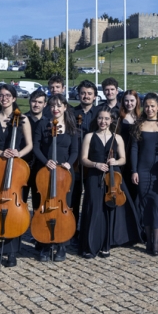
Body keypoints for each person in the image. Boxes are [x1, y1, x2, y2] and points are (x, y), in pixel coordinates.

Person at [0, 84, 33, 268]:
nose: (4, 98)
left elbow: (29, 145)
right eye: (1, 95)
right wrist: (1, 153)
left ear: (14, 98)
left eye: (8, 95)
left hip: (15, 169)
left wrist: (18, 153)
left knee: (13, 211)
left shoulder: (23, 118)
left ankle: (10, 252)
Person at [80, 106, 142, 258]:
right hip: (94, 176)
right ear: (97, 119)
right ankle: (90, 245)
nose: (103, 121)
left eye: (106, 118)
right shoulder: (89, 136)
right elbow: (83, 159)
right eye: (100, 118)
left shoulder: (118, 138)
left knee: (109, 210)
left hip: (113, 176)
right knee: (93, 208)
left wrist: (115, 161)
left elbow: (123, 159)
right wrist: (96, 164)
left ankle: (105, 245)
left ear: (111, 120)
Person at [32, 94, 79, 262]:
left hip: (64, 174)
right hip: (45, 172)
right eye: (52, 106)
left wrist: (69, 163)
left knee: (63, 208)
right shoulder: (42, 125)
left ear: (65, 107)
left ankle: (61, 244)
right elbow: (36, 147)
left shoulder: (71, 126)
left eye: (59, 105)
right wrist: (46, 161)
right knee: (44, 205)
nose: (55, 109)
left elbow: (74, 151)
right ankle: (45, 243)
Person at [131, 93, 158, 256]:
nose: (149, 109)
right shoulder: (139, 124)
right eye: (147, 106)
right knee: (146, 205)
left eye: (152, 106)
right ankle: (149, 240)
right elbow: (134, 149)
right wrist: (134, 170)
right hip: (143, 170)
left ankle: (156, 242)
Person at [71, 80, 99, 252]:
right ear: (78, 95)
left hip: (93, 163)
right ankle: (72, 231)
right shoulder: (71, 113)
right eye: (83, 93)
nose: (86, 96)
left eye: (89, 93)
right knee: (73, 199)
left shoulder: (100, 113)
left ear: (95, 96)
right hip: (75, 163)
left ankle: (88, 231)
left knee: (91, 199)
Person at [22, 90, 47, 205]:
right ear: (29, 102)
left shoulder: (48, 123)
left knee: (38, 202)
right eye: (34, 101)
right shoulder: (21, 120)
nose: (36, 105)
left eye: (40, 102)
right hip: (23, 165)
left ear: (44, 104)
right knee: (21, 199)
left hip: (41, 166)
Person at [119, 90, 141, 202]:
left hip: (136, 157)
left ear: (136, 101)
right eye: (126, 100)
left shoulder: (141, 118)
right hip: (122, 156)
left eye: (132, 100)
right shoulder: (119, 118)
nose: (129, 103)